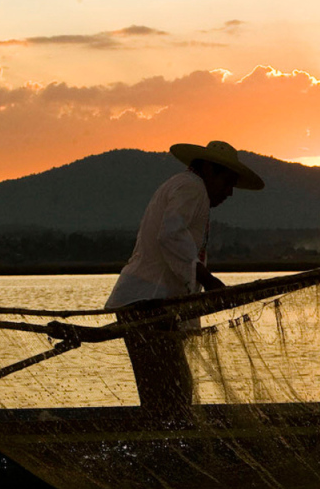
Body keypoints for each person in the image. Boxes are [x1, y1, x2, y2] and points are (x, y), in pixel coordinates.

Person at [105, 140, 265, 413]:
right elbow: (171, 235)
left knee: (170, 391)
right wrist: (208, 279)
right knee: (171, 393)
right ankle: (165, 443)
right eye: (227, 183)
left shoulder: (186, 187)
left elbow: (177, 243)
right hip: (147, 304)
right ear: (208, 170)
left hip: (148, 304)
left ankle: (163, 439)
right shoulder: (192, 187)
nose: (229, 193)